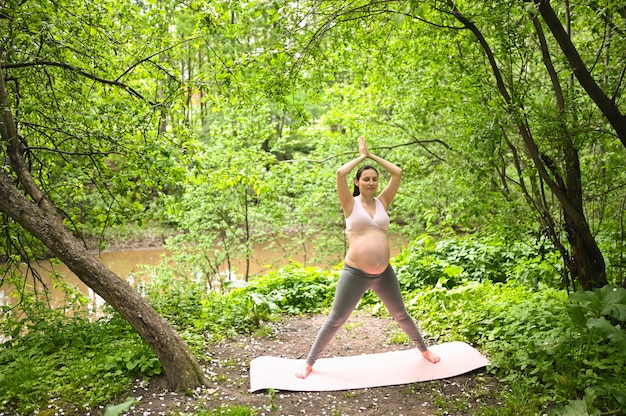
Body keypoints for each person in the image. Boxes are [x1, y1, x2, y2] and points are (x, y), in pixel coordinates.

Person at [296, 136, 441, 379]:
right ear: (358, 182)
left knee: (401, 314)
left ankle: (424, 350)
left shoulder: (383, 201)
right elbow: (339, 173)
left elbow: (397, 172)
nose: (372, 182)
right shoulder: (350, 205)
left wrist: (373, 156)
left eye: (374, 179)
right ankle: (309, 363)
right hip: (355, 273)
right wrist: (361, 157)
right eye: (366, 179)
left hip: (384, 273)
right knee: (336, 319)